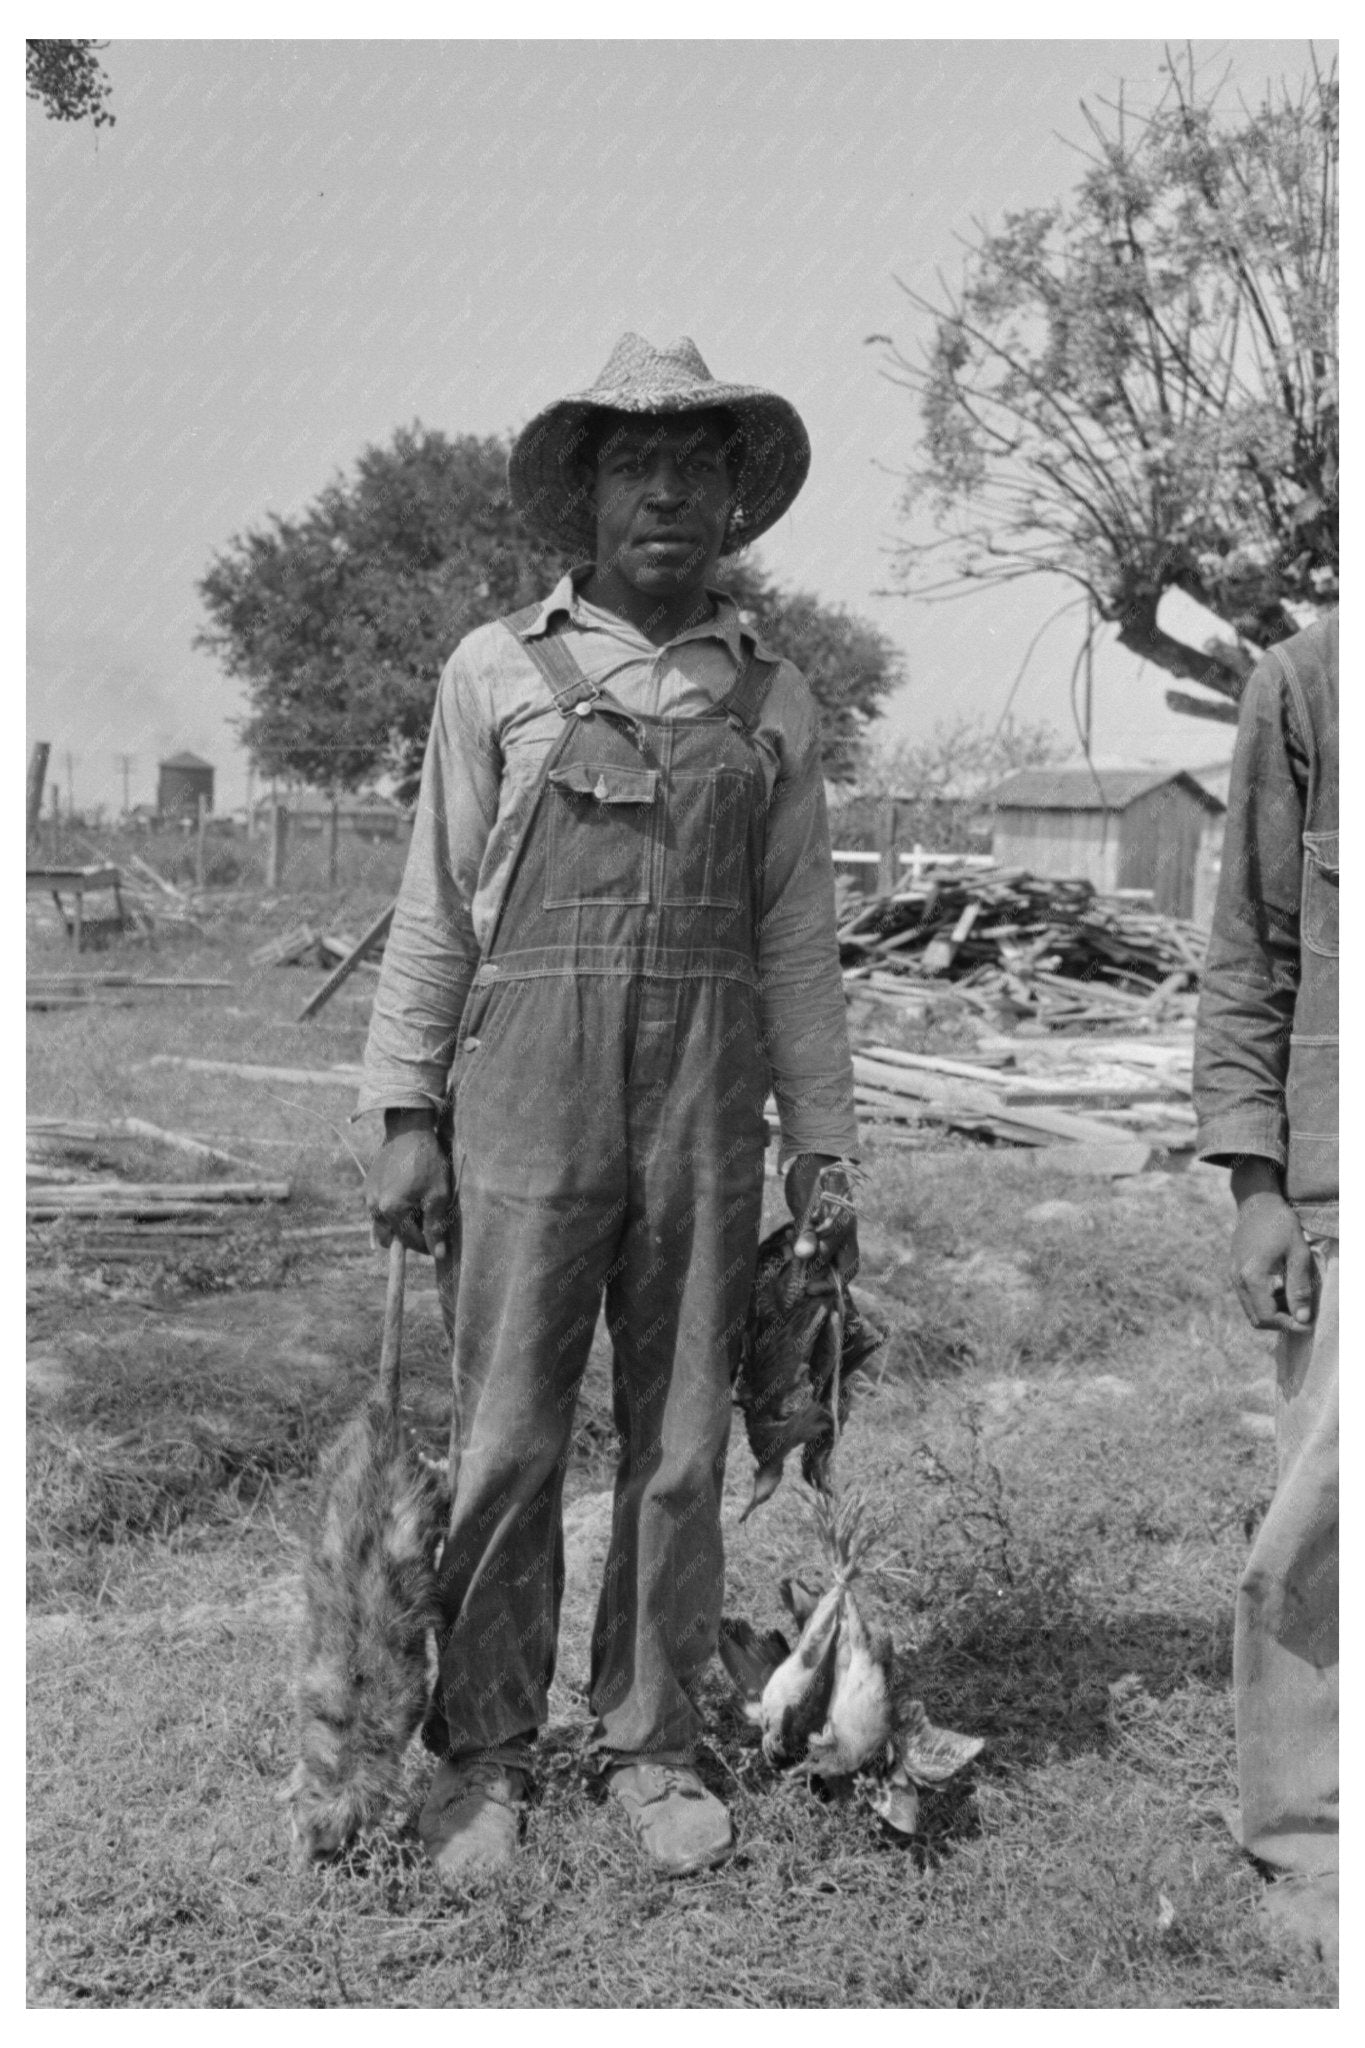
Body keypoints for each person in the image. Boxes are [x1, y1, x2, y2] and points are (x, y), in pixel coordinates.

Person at [359, 333, 860, 1885]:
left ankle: (647, 1740)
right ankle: (482, 1754)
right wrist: (403, 1111)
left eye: (696, 470)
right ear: (584, 500)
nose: (666, 495)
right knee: (507, 1436)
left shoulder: (773, 697)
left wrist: (824, 1146)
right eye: (634, 468)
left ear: (733, 507)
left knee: (679, 1441)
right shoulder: (493, 668)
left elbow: (794, 942)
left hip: (708, 1103)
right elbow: (435, 909)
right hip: (525, 1087)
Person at [1192, 608, 1338, 1964]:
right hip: (1341, 1179)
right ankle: (1314, 1847)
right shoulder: (1305, 682)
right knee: (1326, 1519)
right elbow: (1249, 952)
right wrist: (1257, 1185)